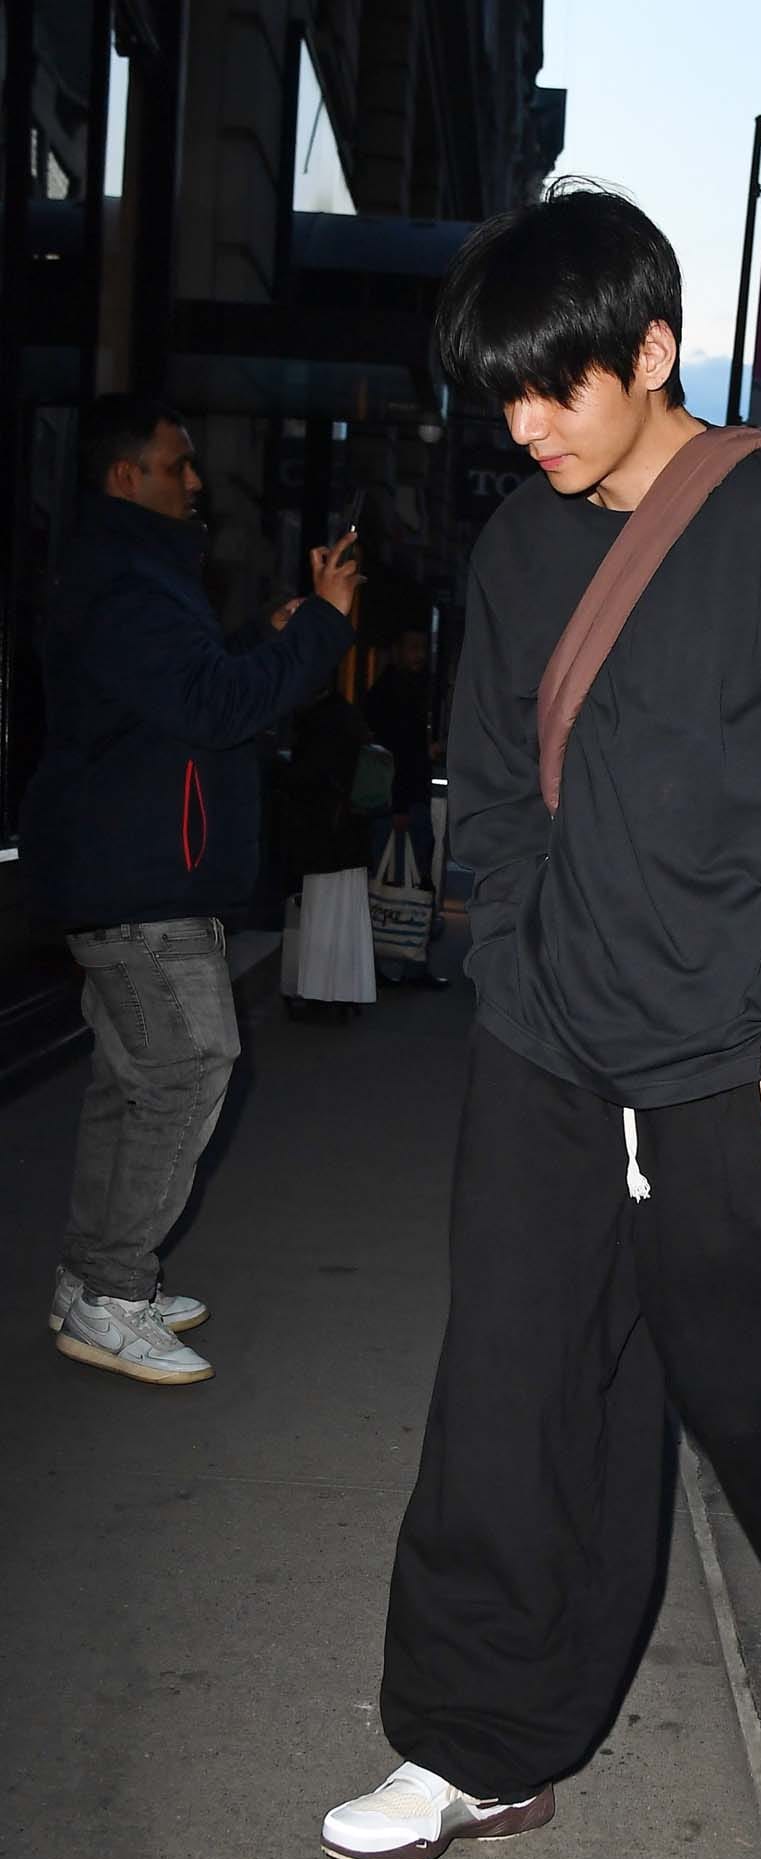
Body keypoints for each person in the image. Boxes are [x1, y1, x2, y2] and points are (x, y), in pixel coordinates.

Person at [321, 187, 761, 1859]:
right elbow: (492, 784)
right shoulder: (520, 549)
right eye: (499, 396)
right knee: (508, 1386)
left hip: (734, 1049)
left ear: (652, 352)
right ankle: (470, 1746)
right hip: (549, 1047)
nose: (524, 427)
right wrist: (512, 957)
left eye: (552, 387)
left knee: (757, 1355)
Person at [22, 393, 359, 1387]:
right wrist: (318, 629)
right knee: (188, 1067)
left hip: (132, 871)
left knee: (134, 1082)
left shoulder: (128, 577)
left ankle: (94, 1276)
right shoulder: (127, 583)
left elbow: (184, 692)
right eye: (178, 464)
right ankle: (112, 1294)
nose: (198, 480)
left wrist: (270, 633)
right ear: (126, 475)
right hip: (139, 880)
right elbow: (213, 706)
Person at [277, 687, 377, 1019]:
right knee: (346, 918)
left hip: (324, 836)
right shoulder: (347, 717)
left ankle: (320, 994)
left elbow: (308, 778)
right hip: (350, 835)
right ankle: (345, 992)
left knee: (320, 919)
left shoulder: (318, 723)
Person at [363, 629, 449, 988]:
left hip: (403, 800)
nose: (419, 655)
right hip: (402, 802)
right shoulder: (394, 694)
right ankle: (405, 960)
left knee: (394, 882)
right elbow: (395, 754)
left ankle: (390, 961)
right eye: (412, 647)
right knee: (407, 881)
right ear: (396, 649)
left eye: (421, 648)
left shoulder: (400, 690)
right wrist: (399, 804)